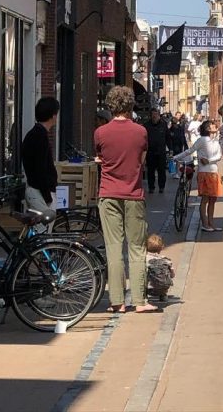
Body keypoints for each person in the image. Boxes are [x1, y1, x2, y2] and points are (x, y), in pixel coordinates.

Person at [95, 85, 155, 313]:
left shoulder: (101, 132)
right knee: (137, 247)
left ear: (111, 106)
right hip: (133, 194)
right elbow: (142, 160)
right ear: (130, 105)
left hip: (108, 193)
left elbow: (101, 157)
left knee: (113, 248)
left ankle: (117, 301)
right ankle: (139, 301)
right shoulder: (141, 132)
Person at [174, 119, 223, 231]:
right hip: (204, 172)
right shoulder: (202, 140)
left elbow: (219, 156)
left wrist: (209, 160)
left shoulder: (216, 141)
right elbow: (190, 150)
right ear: (207, 128)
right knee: (205, 199)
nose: (215, 126)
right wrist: (176, 157)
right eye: (212, 125)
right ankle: (205, 224)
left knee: (213, 199)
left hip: (214, 172)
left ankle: (211, 223)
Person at [21, 96, 59, 218]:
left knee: (40, 227)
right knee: (44, 227)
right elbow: (40, 168)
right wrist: (47, 196)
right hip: (40, 193)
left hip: (37, 190)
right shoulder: (40, 136)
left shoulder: (34, 134)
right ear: (53, 116)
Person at [144, 108, 169, 195]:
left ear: (159, 115)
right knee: (150, 171)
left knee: (161, 170)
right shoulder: (146, 125)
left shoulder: (163, 125)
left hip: (161, 152)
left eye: (156, 114)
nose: (154, 116)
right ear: (150, 115)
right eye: (153, 114)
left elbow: (168, 137)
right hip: (150, 152)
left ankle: (161, 187)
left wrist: (170, 149)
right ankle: (151, 187)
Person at [145, 234, 174, 303]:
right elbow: (172, 275)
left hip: (149, 288)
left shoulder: (145, 259)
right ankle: (163, 296)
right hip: (163, 288)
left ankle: (144, 297)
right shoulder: (166, 260)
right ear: (161, 248)